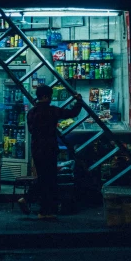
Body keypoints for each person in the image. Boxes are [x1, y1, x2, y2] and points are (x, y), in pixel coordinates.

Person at [20, 85, 83, 219]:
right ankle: (41, 209)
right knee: (48, 179)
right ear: (45, 96)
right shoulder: (52, 111)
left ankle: (38, 206)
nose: (50, 99)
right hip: (49, 148)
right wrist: (79, 101)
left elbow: (32, 130)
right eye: (50, 96)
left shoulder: (31, 112)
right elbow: (72, 113)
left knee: (44, 177)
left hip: (36, 148)